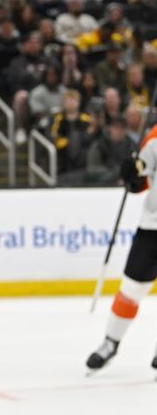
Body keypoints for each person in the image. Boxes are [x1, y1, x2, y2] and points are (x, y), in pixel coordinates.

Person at [86, 120, 157, 372]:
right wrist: (132, 173)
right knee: (131, 289)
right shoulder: (156, 135)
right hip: (152, 227)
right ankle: (110, 342)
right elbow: (141, 178)